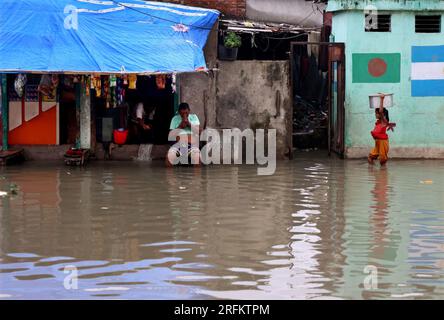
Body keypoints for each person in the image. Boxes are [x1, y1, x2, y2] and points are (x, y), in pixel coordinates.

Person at [368, 94, 396, 166]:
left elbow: (381, 111)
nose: (375, 114)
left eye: (376, 113)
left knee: (382, 160)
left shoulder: (384, 121)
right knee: (370, 157)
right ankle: (374, 171)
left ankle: (383, 173)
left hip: (383, 142)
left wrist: (382, 99)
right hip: (377, 142)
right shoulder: (378, 122)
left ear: (381, 115)